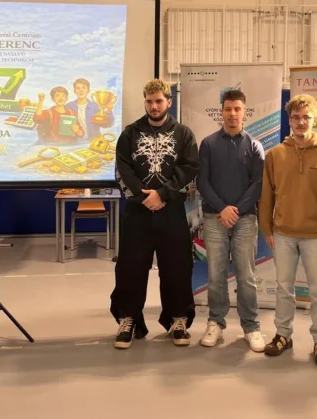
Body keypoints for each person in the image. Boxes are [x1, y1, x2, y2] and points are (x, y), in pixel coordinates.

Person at [110, 79, 200, 349]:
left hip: (172, 212)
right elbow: (122, 169)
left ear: (169, 102)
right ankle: (129, 320)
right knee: (130, 267)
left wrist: (162, 194)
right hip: (138, 212)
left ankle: (177, 320)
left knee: (176, 268)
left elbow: (189, 168)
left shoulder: (183, 134)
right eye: (149, 101)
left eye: (159, 101)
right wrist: (145, 197)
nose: (154, 106)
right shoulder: (130, 133)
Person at [258, 94, 317, 365]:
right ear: (289, 120)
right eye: (296, 117)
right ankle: (283, 335)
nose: (301, 122)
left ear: (314, 120)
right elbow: (266, 196)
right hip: (283, 233)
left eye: (306, 117)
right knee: (284, 287)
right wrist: (267, 228)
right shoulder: (275, 155)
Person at [196, 89, 266, 352]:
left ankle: (251, 326)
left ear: (244, 112)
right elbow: (202, 182)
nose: (232, 114)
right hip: (214, 218)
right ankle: (216, 322)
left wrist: (235, 210)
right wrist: (222, 208)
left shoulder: (255, 146)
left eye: (237, 109)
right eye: (228, 109)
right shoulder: (208, 144)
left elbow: (257, 184)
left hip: (245, 219)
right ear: (221, 112)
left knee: (246, 276)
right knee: (216, 275)